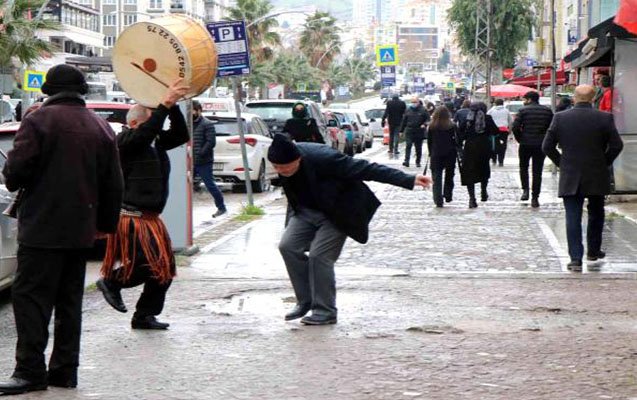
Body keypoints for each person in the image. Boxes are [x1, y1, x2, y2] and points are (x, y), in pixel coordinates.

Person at [0, 64, 123, 395]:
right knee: (69, 303)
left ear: (48, 90)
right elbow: (114, 183)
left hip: (42, 228)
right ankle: (65, 371)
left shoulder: (38, 120)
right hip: (81, 230)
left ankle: (29, 371)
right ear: (82, 90)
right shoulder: (101, 127)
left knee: (31, 299)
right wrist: (104, 226)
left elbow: (15, 174)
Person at [269, 134, 431, 325]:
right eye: (277, 167)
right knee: (287, 246)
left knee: (319, 256)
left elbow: (368, 169)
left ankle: (325, 311)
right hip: (306, 212)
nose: (281, 171)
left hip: (338, 212)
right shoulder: (283, 163)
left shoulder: (325, 159)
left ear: (298, 158)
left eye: (286, 167)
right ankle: (305, 301)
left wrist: (409, 179)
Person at [97, 79, 189, 330]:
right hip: (131, 216)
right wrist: (164, 104)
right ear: (136, 123)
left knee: (166, 269)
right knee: (150, 264)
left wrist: (174, 106)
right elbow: (146, 133)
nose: (156, 126)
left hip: (150, 217)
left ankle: (144, 315)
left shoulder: (154, 142)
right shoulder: (125, 141)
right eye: (153, 119)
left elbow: (181, 134)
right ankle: (112, 281)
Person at [542, 85, 623, 271]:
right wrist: (604, 162)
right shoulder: (604, 118)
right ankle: (593, 251)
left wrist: (562, 163)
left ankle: (575, 258)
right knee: (596, 214)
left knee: (572, 216)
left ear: (574, 98)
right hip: (596, 172)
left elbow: (547, 147)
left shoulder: (560, 118)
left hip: (571, 172)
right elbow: (617, 145)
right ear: (593, 98)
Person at [512, 91, 554, 208]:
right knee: (537, 171)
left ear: (529, 99)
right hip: (540, 144)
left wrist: (520, 138)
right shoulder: (547, 111)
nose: (524, 101)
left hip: (525, 143)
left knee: (523, 167)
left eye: (525, 99)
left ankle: (525, 190)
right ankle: (535, 197)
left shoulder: (523, 111)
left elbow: (515, 127)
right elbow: (552, 128)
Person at [457, 102, 499, 208]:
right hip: (484, 147)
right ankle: (483, 192)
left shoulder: (468, 119)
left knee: (469, 171)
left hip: (470, 147)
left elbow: (460, 133)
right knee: (483, 169)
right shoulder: (487, 118)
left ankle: (472, 198)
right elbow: (495, 131)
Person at [192, 100, 226, 218]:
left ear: (199, 110)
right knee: (184, 186)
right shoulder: (189, 123)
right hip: (189, 160)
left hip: (203, 161)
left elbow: (211, 142)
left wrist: (201, 153)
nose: (192, 113)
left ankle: (221, 207)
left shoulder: (207, 124)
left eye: (194, 111)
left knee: (209, 184)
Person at [427, 106, 457, 207]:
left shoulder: (432, 126)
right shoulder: (452, 126)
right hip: (450, 153)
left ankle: (438, 199)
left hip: (436, 154)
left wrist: (430, 152)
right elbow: (457, 140)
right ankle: (448, 195)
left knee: (436, 178)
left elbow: (429, 141)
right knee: (449, 175)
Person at [400, 96, 430, 168]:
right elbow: (404, 120)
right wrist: (401, 130)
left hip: (419, 130)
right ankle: (406, 161)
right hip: (409, 130)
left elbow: (428, 119)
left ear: (418, 102)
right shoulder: (408, 110)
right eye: (412, 102)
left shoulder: (423, 110)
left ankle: (418, 162)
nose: (413, 104)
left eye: (415, 102)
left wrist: (424, 124)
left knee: (418, 147)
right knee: (408, 145)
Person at [487, 98, 512, 167]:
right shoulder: (506, 111)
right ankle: (501, 161)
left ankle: (494, 159)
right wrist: (509, 130)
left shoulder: (491, 110)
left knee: (493, 145)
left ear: (495, 103)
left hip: (493, 131)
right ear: (502, 103)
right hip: (503, 131)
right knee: (502, 146)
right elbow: (510, 121)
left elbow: (487, 119)